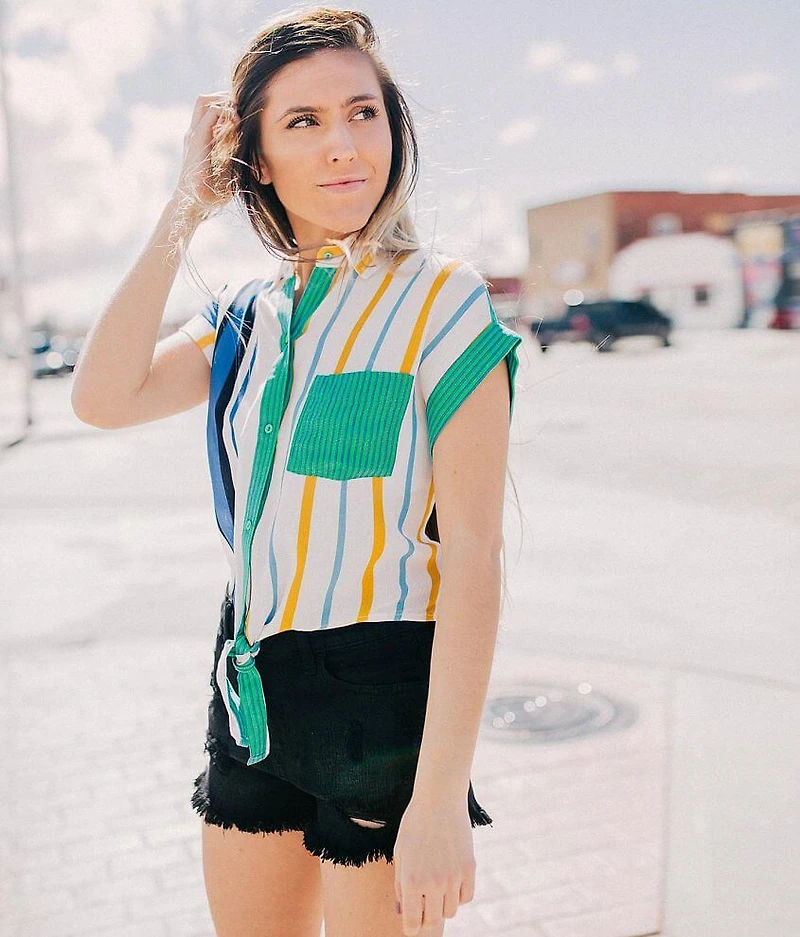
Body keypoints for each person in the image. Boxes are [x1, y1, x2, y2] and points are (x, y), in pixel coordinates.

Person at [71, 7, 522, 936]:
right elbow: (102, 397)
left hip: (383, 693)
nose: (343, 145)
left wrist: (441, 797)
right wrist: (184, 208)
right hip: (251, 681)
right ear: (259, 159)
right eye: (303, 122)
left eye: (362, 112)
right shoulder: (245, 316)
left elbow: (477, 556)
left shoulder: (443, 298)